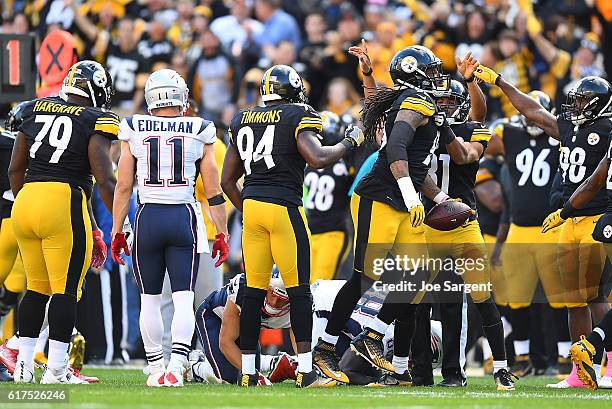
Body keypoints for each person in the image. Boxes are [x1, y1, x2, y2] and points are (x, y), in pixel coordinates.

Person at [221, 64, 364, 388]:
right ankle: (305, 370)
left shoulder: (243, 118)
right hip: (284, 207)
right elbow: (317, 157)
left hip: (253, 210)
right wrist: (350, 143)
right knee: (300, 292)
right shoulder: (297, 114)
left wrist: (249, 207)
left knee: (254, 292)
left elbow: (227, 179)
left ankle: (247, 371)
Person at [475, 64, 612, 388]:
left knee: (596, 295)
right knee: (573, 299)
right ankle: (581, 372)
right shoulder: (569, 126)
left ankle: (609, 369)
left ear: (597, 103)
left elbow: (597, 179)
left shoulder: (606, 129)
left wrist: (566, 211)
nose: (574, 106)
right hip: (567, 220)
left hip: (595, 216)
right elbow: (533, 111)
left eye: (581, 101)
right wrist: (499, 82)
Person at [110, 69, 229, 387]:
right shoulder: (201, 128)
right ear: (182, 97)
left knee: (149, 298)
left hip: (147, 216)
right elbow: (214, 190)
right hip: (183, 218)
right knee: (182, 297)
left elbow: (123, 186)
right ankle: (177, 365)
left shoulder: (133, 126)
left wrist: (117, 229)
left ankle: (155, 366)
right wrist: (222, 232)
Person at [9, 60, 117, 384]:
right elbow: (105, 177)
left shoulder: (32, 108)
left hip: (25, 200)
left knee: (36, 289)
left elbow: (16, 169)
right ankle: (56, 369)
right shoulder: (95, 118)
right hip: (64, 199)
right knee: (66, 291)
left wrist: (29, 201)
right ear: (97, 90)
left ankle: (23, 368)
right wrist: (122, 223)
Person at [487, 91, 570, 377]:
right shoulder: (509, 134)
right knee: (517, 299)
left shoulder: (560, 135)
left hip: (551, 228)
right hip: (519, 230)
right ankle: (521, 357)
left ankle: (564, 357)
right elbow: (482, 142)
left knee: (560, 298)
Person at [194, 272, 292, 385]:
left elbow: (299, 344)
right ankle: (196, 365)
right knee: (228, 378)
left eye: (281, 300)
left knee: (249, 372)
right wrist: (252, 374)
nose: (274, 303)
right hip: (213, 317)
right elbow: (225, 342)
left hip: (244, 329)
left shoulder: (296, 307)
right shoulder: (243, 291)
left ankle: (272, 363)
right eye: (272, 295)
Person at [304, 111, 354, 282]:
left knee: (320, 284)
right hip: (308, 232)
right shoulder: (306, 159)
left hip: (333, 231)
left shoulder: (347, 162)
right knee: (303, 284)